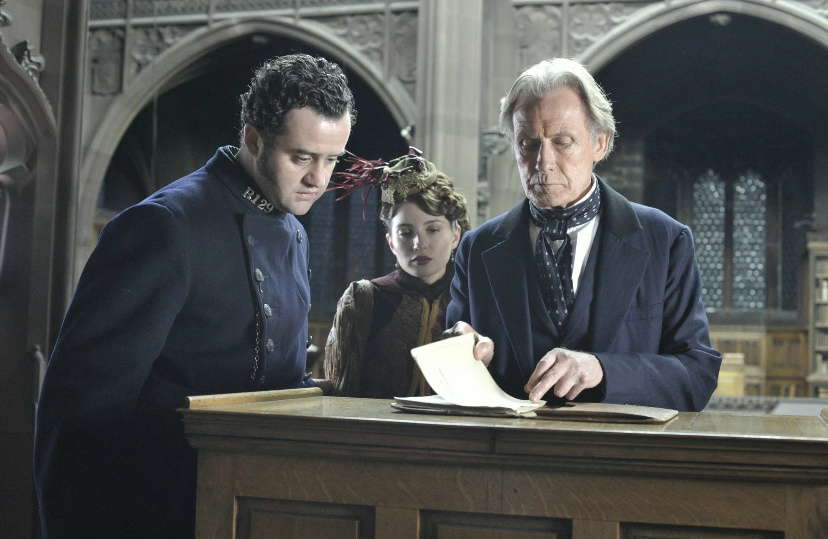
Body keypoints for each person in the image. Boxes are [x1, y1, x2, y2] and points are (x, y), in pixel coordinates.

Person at [33, 53, 355, 538]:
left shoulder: (292, 230)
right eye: (302, 157)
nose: (319, 179)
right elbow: (78, 416)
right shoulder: (165, 225)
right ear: (253, 139)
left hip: (252, 508)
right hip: (158, 512)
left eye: (332, 160)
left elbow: (276, 382)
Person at [445, 58, 721, 412]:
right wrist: (460, 356)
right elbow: (456, 375)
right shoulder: (477, 248)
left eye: (562, 142)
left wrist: (602, 370)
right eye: (528, 144)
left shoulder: (666, 240)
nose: (542, 162)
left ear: (600, 144)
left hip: (618, 445)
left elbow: (697, 375)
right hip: (509, 444)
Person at [323, 147, 470, 398]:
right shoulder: (365, 299)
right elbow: (342, 394)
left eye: (433, 230)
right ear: (391, 242)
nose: (419, 244)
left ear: (455, 236)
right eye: (405, 233)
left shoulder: (475, 301)